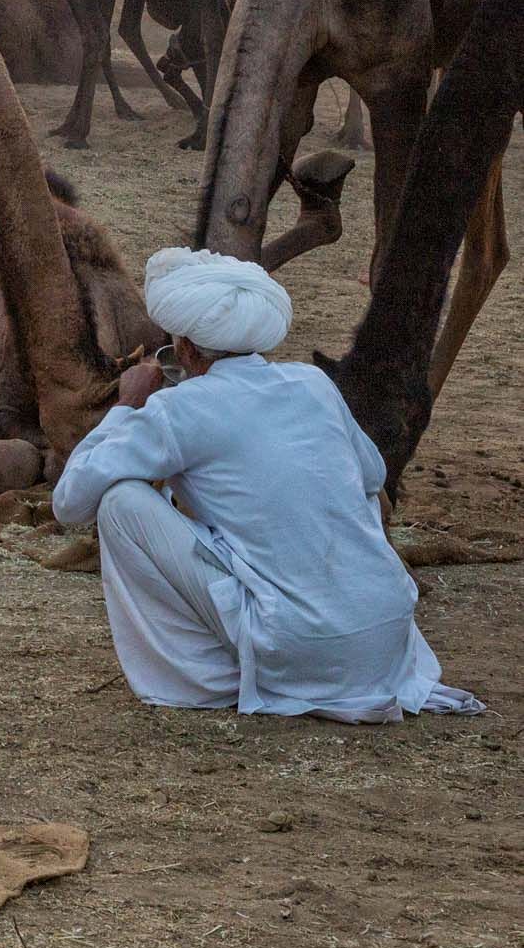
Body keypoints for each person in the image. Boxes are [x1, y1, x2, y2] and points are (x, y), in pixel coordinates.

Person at [53, 247, 479, 724]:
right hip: (388, 641)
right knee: (351, 487)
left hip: (299, 648)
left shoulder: (180, 409)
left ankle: (209, 677)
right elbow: (373, 477)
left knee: (119, 501)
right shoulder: (313, 384)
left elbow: (70, 502)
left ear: (187, 349)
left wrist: (126, 407)